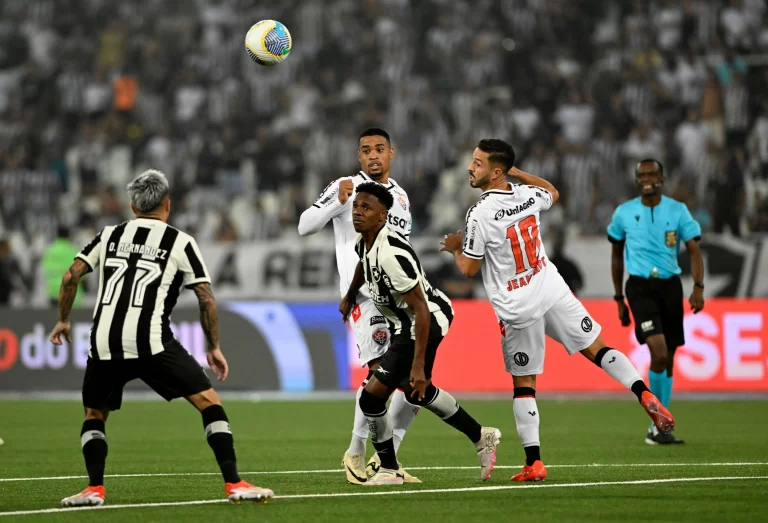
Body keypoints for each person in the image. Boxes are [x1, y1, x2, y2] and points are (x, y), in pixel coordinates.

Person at [440, 139, 674, 482]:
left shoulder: (479, 213)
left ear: (495, 172)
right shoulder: (526, 194)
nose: (470, 168)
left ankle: (534, 462)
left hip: (517, 307)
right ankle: (643, 392)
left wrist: (455, 249)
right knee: (598, 347)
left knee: (524, 385)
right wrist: (519, 174)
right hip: (550, 287)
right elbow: (553, 191)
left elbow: (470, 271)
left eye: (477, 163)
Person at [49, 170, 273, 507]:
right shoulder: (180, 242)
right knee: (209, 403)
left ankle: (94, 488)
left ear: (132, 207)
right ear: (167, 205)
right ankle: (234, 482)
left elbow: (70, 277)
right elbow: (206, 297)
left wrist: (63, 320)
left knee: (94, 415)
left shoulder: (109, 234)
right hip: (150, 341)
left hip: (104, 341)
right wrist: (213, 346)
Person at [340, 182, 501, 486]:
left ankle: (388, 470)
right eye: (356, 206)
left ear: (383, 216)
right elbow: (362, 264)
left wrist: (417, 366)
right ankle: (482, 436)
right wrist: (349, 296)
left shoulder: (390, 254)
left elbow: (422, 310)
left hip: (423, 322)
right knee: (418, 392)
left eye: (366, 208)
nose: (358, 212)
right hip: (406, 324)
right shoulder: (366, 242)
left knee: (373, 398)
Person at [298, 128, 420, 484]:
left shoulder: (400, 196)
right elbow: (305, 226)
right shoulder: (347, 185)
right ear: (359, 156)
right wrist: (336, 201)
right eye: (366, 150)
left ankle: (387, 461)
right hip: (364, 298)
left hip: (397, 297)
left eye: (379, 149)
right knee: (380, 374)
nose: (373, 156)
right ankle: (356, 453)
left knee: (417, 382)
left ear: (392, 153)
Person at [608, 158, 704, 445]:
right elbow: (616, 256)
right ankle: (658, 421)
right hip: (639, 288)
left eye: (652, 173)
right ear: (637, 179)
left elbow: (695, 250)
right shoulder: (624, 213)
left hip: (670, 286)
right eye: (642, 174)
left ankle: (660, 428)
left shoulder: (678, 211)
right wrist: (618, 298)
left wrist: (698, 287)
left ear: (662, 177)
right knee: (659, 353)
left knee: (669, 358)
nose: (647, 177)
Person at [42, 226, 84, 308]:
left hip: (53, 293)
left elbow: (44, 269)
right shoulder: (73, 250)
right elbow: (83, 273)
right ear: (69, 235)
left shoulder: (49, 250)